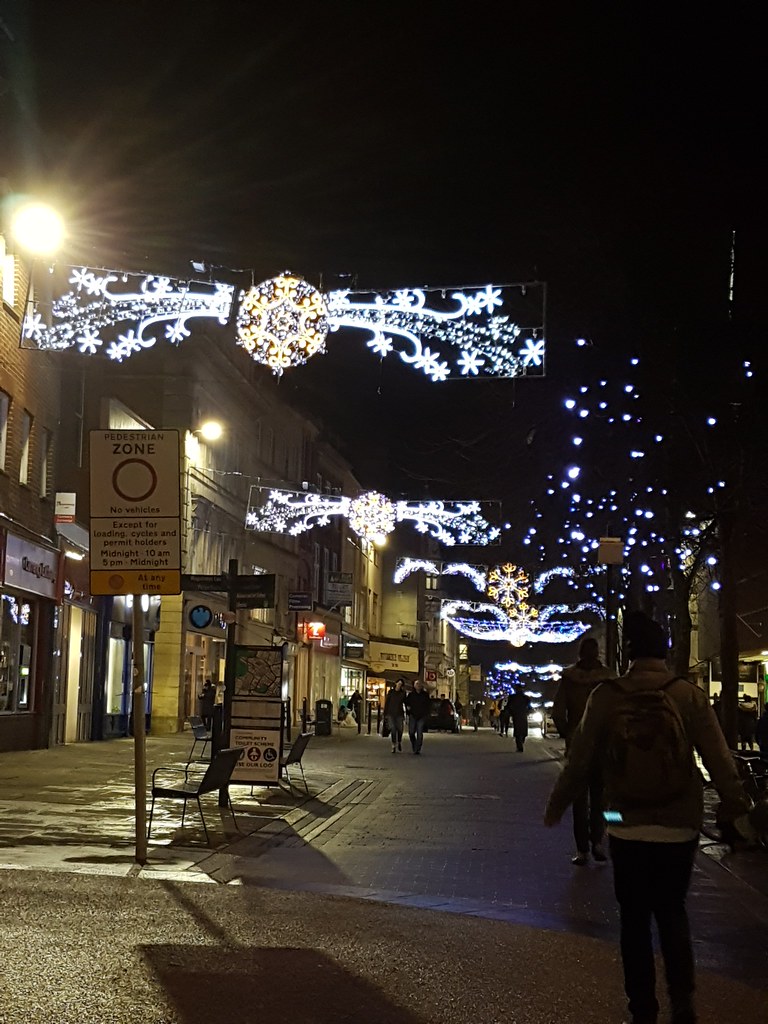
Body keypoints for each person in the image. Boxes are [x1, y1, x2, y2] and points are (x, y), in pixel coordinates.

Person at [544, 610, 751, 1024]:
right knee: (673, 911)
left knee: (634, 918)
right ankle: (683, 1001)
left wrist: (557, 807)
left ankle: (642, 1009)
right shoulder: (687, 695)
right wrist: (738, 807)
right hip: (680, 821)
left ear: (629, 654)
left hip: (625, 818)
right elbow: (719, 758)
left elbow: (579, 760)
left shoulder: (608, 695)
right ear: (665, 651)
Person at [552, 636, 617, 865]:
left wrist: (568, 733)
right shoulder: (608, 679)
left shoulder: (570, 679)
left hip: (578, 745)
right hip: (603, 744)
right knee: (601, 796)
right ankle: (598, 841)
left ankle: (582, 850)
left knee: (579, 799)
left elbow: (558, 711)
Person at [405, 678, 431, 755]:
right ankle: (414, 744)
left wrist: (426, 714)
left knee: (419, 732)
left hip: (422, 716)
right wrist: (408, 710)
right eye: (416, 684)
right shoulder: (411, 695)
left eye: (419, 684)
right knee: (411, 732)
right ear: (414, 685)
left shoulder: (425, 695)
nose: (418, 685)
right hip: (413, 715)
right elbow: (407, 703)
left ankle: (417, 748)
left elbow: (428, 705)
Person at [383, 678, 407, 753]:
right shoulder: (391, 692)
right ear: (395, 683)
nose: (399, 685)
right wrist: (385, 713)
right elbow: (387, 702)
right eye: (398, 683)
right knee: (393, 729)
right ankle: (393, 745)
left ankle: (399, 741)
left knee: (400, 730)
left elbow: (405, 702)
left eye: (401, 684)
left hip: (399, 714)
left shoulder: (403, 693)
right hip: (391, 713)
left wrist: (408, 710)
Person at [508, 686, 530, 751]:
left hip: (516, 715)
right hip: (523, 715)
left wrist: (511, 713)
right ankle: (521, 742)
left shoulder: (512, 697)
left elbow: (509, 706)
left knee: (517, 732)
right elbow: (528, 706)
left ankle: (519, 746)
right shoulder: (526, 698)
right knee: (523, 730)